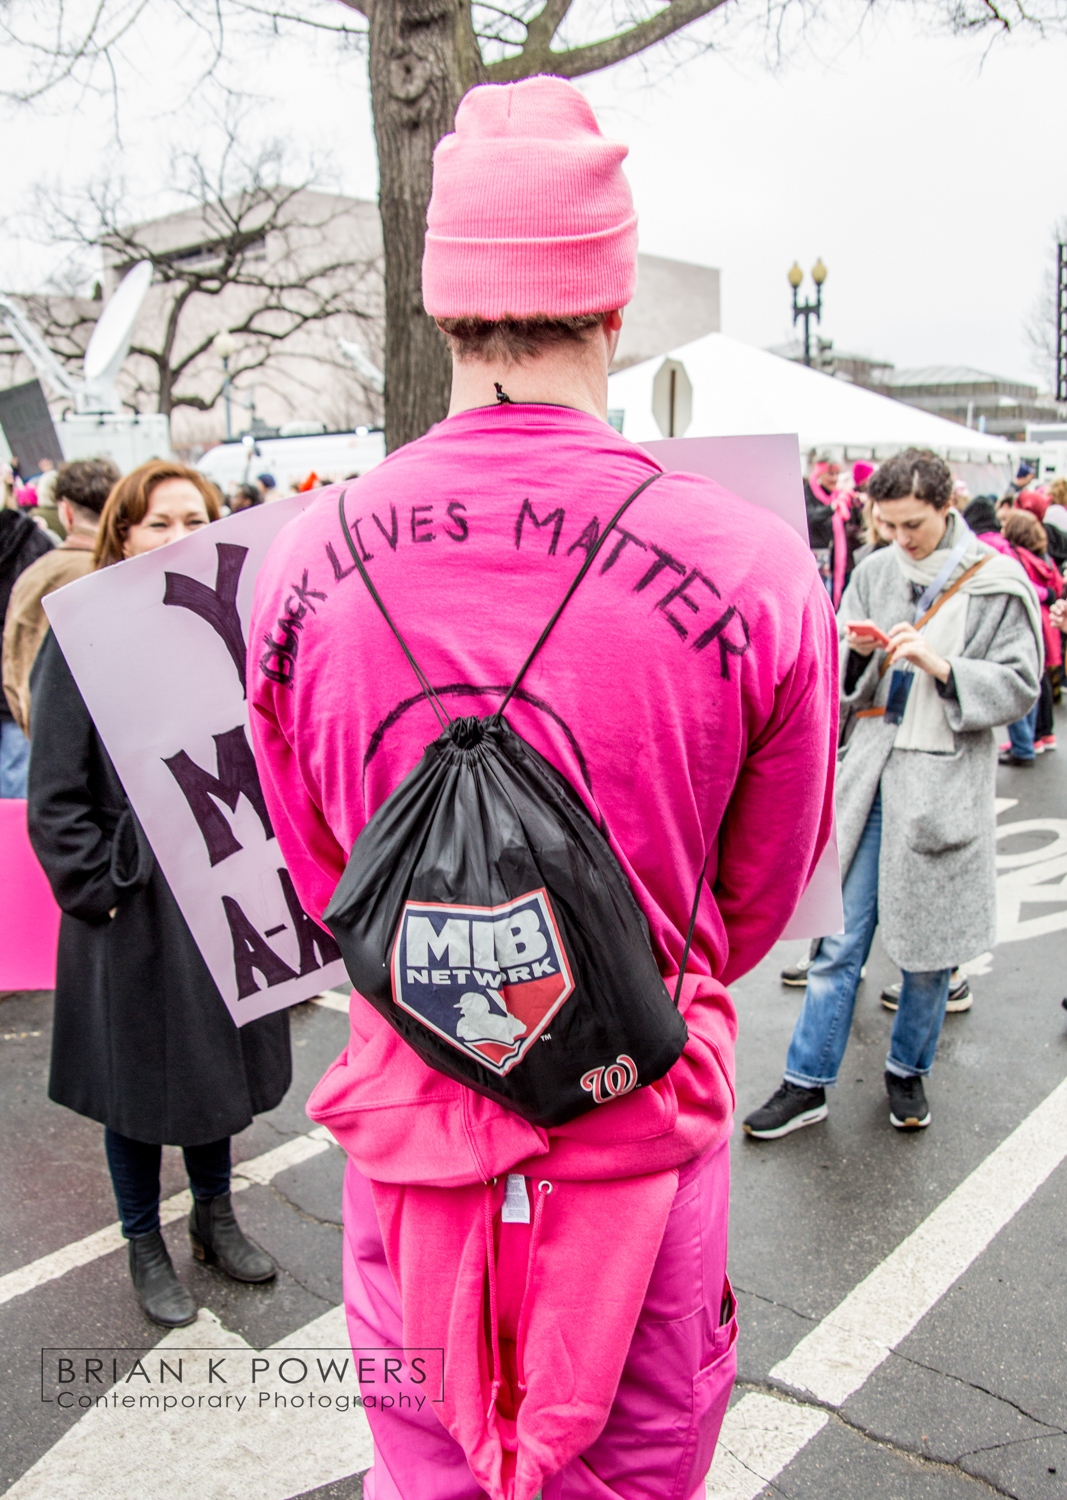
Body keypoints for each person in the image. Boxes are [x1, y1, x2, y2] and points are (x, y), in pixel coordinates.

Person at [248, 76, 837, 1500]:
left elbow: (326, 865)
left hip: (407, 1139)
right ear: (612, 302)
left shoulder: (291, 569)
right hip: (635, 1142)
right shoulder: (755, 565)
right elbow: (753, 900)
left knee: (418, 1472)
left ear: (442, 305)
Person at [27, 459, 292, 1329]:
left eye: (196, 519)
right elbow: (56, 797)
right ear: (123, 534)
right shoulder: (83, 636)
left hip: (216, 893)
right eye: (160, 523)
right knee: (135, 1083)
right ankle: (144, 1241)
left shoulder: (230, 630)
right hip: (132, 908)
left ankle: (215, 1219)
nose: (180, 537)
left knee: (213, 1071)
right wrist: (105, 887)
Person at [745, 448, 1041, 1139]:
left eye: (911, 525)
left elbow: (1020, 685)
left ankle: (907, 1071)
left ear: (945, 508)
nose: (898, 539)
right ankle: (804, 1081)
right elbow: (840, 683)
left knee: (928, 951)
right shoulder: (875, 571)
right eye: (886, 525)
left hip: (940, 783)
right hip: (872, 775)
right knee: (838, 942)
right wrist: (857, 651)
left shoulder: (996, 582)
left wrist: (941, 666)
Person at [3, 458, 120, 736]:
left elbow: (17, 664)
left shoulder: (37, 577)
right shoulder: (131, 570)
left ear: (65, 511)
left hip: (54, 738)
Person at [0, 492, 54, 796]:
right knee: (16, 774)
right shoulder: (36, 541)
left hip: (16, 674)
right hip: (18, 673)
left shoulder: (35, 539)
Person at [998, 508, 1062, 762]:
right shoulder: (1044, 556)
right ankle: (1042, 735)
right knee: (1039, 677)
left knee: (1026, 678)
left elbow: (1022, 584)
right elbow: (1056, 585)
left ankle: (1027, 741)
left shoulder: (1016, 556)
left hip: (1030, 618)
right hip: (1048, 619)